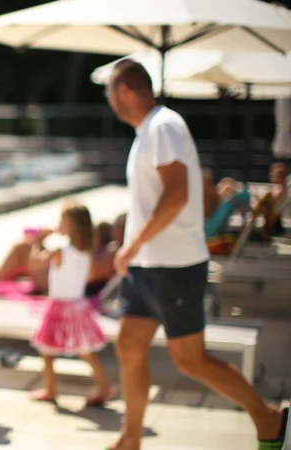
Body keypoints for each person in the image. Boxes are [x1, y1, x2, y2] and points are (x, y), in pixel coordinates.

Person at [104, 59, 287, 450]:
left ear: (124, 91)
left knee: (190, 360)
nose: (108, 101)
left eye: (109, 92)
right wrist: (131, 249)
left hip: (174, 266)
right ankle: (130, 439)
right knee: (129, 346)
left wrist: (133, 244)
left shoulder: (163, 126)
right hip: (145, 265)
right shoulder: (147, 131)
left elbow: (177, 195)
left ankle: (267, 416)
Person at [28, 201, 112, 405]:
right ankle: (104, 387)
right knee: (85, 350)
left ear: (71, 226)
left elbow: (34, 263)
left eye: (62, 220)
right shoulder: (86, 251)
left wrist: (37, 240)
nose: (59, 224)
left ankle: (50, 389)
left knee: (47, 349)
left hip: (58, 305)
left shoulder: (59, 250)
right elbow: (91, 276)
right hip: (78, 304)